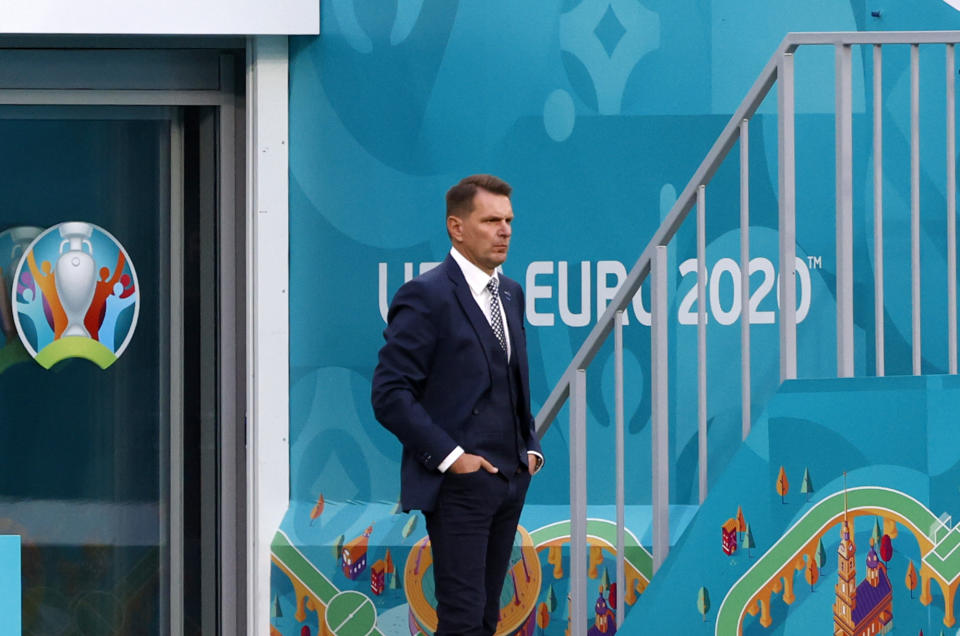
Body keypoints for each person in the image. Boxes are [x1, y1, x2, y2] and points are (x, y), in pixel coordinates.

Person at [372, 174, 544, 636]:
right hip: (459, 486)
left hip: (510, 478)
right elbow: (389, 394)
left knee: (488, 616)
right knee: (463, 619)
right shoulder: (426, 295)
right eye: (491, 220)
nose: (505, 230)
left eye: (508, 220)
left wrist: (530, 448)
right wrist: (453, 460)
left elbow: (511, 380)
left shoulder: (510, 293)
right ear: (457, 227)